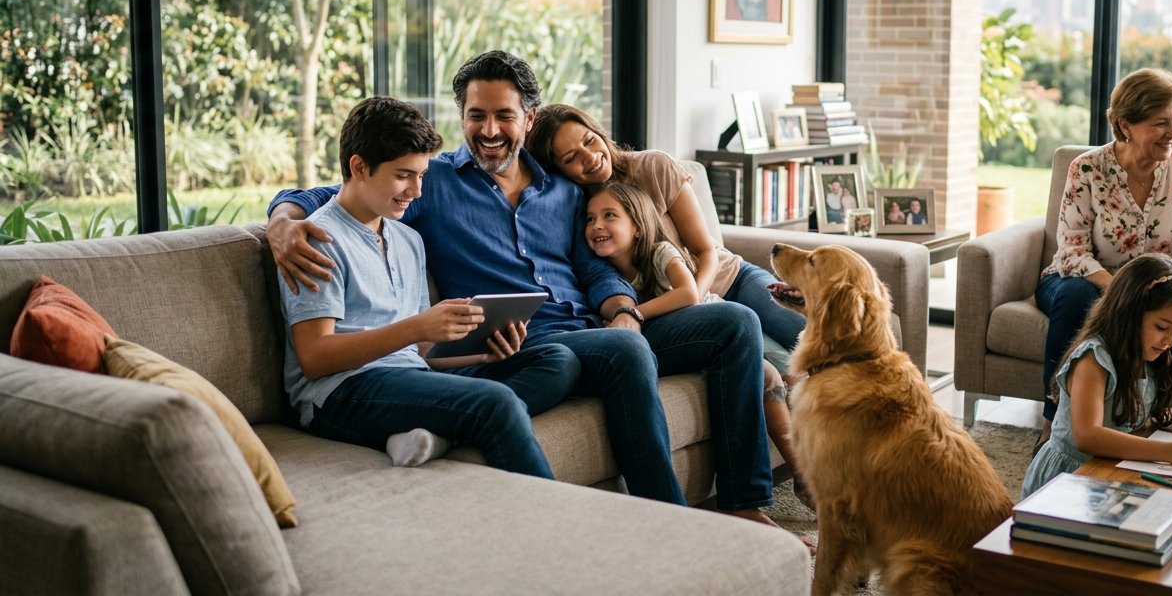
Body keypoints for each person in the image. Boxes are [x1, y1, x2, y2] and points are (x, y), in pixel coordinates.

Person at [267, 51, 778, 530]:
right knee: (618, 348)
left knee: (735, 323)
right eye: (476, 115)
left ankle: (743, 502)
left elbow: (594, 268)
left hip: (589, 328)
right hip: (523, 338)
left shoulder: (563, 189)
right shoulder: (432, 183)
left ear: (529, 119)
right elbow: (330, 196)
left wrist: (624, 309)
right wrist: (283, 222)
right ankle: (664, 523)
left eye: (504, 116)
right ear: (461, 116)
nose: (489, 130)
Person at [278, 96, 578, 476]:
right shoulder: (318, 240)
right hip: (340, 394)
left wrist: (481, 354)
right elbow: (315, 357)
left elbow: (419, 353)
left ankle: (440, 432)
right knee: (496, 403)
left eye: (421, 175)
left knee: (557, 360)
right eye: (403, 175)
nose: (416, 191)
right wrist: (418, 326)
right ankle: (556, 528)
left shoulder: (407, 240)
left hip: (410, 376)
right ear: (359, 167)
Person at [585, 181, 815, 513]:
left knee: (782, 370)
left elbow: (689, 295)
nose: (597, 226)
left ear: (637, 226)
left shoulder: (659, 252)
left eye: (609, 216)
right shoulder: (604, 274)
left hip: (711, 316)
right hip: (696, 343)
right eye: (590, 220)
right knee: (766, 373)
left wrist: (632, 313)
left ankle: (805, 471)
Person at [1035, 67, 1172, 442]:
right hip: (1081, 280)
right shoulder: (1088, 168)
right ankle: (1054, 418)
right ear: (1126, 125)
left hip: (1157, 286)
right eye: (1161, 123)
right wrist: (1125, 289)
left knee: (1165, 306)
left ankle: (1140, 415)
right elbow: (1072, 251)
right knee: (1079, 298)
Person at [527, 103, 807, 360]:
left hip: (728, 280)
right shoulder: (581, 213)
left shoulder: (653, 167)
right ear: (558, 170)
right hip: (674, 307)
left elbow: (705, 250)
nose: (590, 157)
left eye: (590, 141)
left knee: (822, 338)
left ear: (598, 132)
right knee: (781, 367)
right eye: (571, 157)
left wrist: (695, 304)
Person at [1022, 254, 1172, 498]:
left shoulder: (1158, 359)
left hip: (1117, 469)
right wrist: (1170, 451)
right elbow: (1088, 436)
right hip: (1069, 480)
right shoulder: (1093, 359)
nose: (1171, 340)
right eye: (1162, 327)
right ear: (1128, 314)